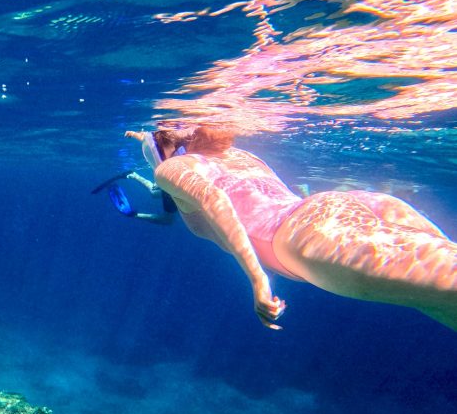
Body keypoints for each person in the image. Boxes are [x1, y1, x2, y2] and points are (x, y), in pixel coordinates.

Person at [114, 126, 457, 331]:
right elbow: (165, 139)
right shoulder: (236, 155)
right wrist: (148, 136)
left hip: (306, 235)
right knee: (445, 302)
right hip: (345, 205)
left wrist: (258, 279)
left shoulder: (172, 169)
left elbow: (217, 202)